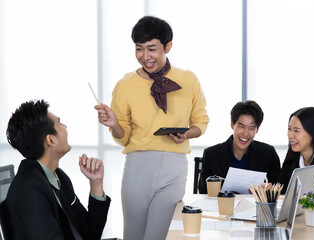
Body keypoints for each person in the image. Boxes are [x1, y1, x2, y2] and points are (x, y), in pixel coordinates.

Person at [94, 16, 209, 240]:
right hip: (138, 168)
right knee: (134, 236)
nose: (145, 56)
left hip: (174, 169)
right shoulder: (125, 85)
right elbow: (123, 137)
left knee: (160, 235)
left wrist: (186, 134)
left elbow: (201, 122)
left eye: (151, 49)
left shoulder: (188, 80)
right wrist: (115, 124)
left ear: (168, 47)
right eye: (139, 49)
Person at [5, 100, 111, 240]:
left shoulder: (58, 177)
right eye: (60, 123)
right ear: (51, 141)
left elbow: (90, 234)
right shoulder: (30, 190)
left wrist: (96, 182)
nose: (65, 126)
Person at [198, 101, 280, 194]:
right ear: (232, 125)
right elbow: (203, 193)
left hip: (255, 207)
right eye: (241, 126)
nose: (245, 133)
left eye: (251, 128)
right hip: (222, 207)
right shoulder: (211, 155)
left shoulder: (268, 154)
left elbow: (277, 190)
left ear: (257, 129)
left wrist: (268, 191)